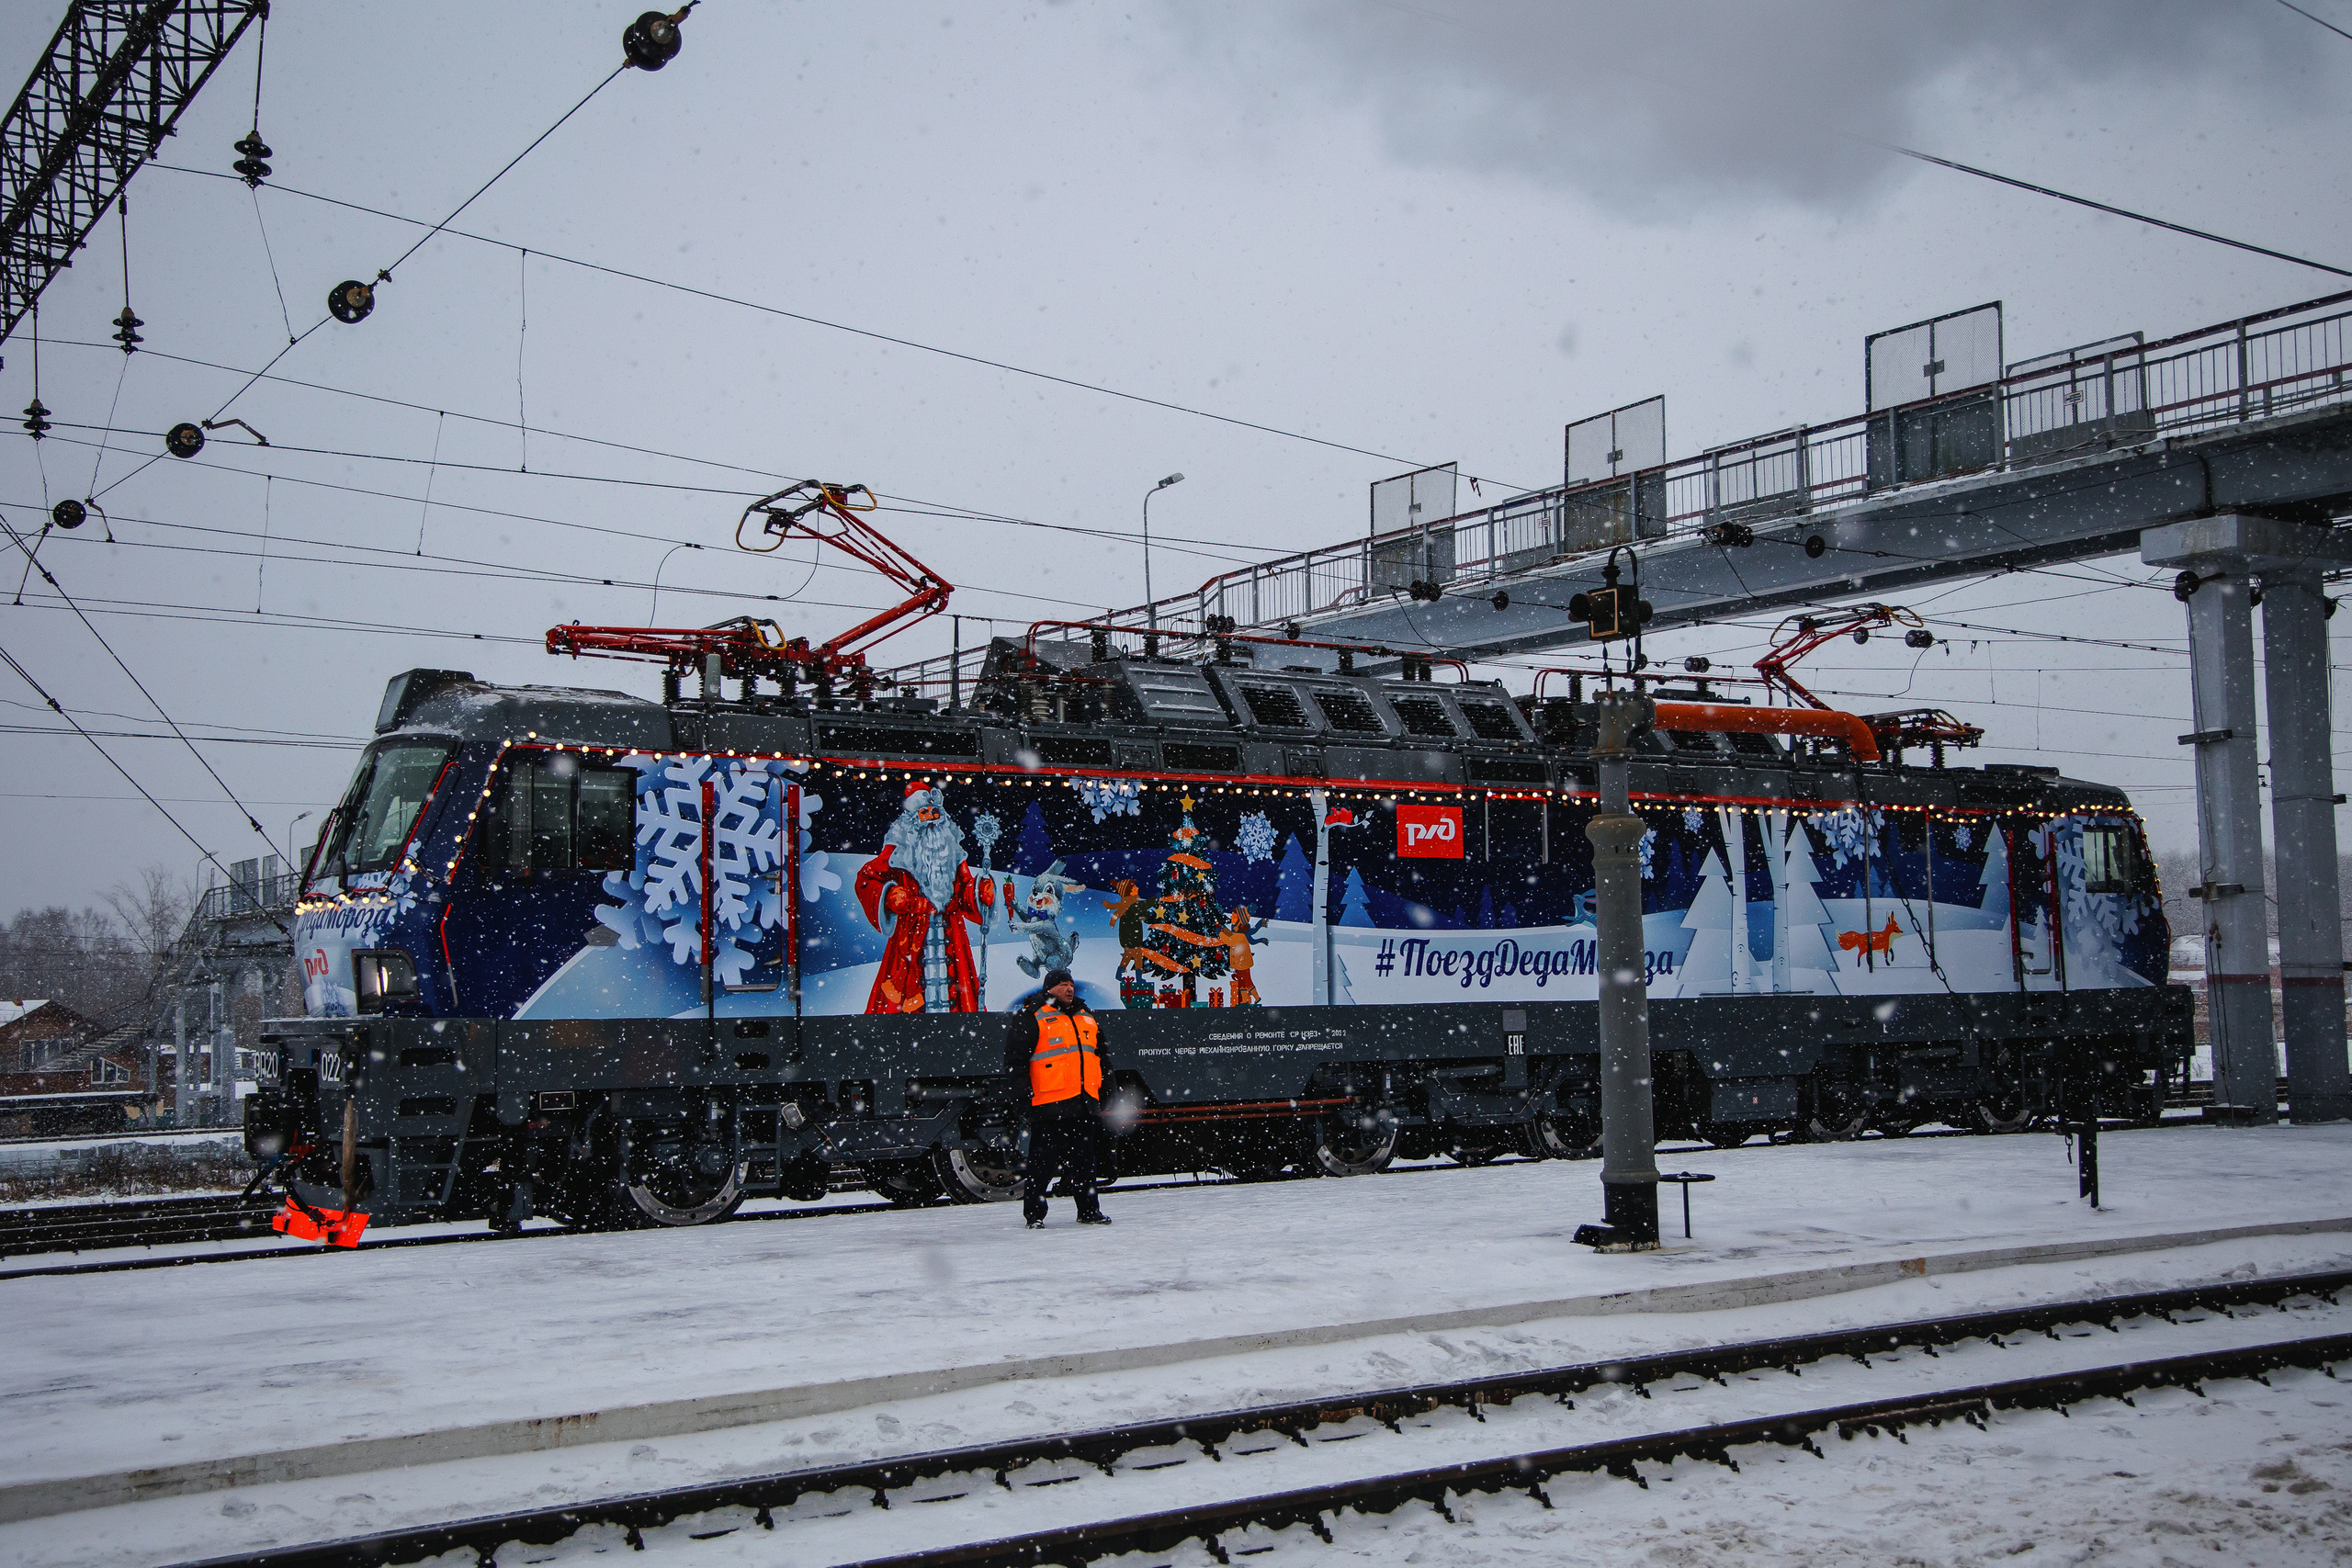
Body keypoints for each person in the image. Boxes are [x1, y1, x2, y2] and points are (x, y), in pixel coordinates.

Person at [1005, 967, 1110, 1228]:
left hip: (1083, 1102)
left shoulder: (1086, 1016)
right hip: (1049, 1104)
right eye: (1063, 984)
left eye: (1071, 984)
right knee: (1042, 1164)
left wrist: (1108, 1091)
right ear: (1049, 989)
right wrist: (1023, 1098)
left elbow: (1102, 1057)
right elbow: (1015, 1062)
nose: (1069, 988)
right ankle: (1034, 1215)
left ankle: (1089, 1211)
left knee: (1085, 1163)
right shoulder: (1033, 1015)